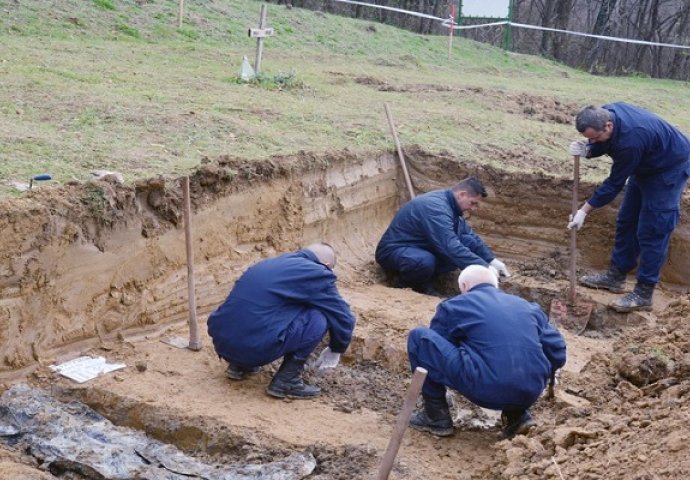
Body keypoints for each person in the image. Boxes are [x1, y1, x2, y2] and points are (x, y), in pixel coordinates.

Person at [407, 265, 566, 438]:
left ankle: (436, 416)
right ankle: (517, 416)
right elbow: (557, 351)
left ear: (465, 287)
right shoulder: (529, 307)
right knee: (511, 356)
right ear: (495, 285)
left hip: (485, 389)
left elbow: (435, 352)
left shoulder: (455, 305)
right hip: (530, 392)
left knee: (420, 338)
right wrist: (543, 376)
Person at [568, 103, 690, 312]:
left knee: (653, 230)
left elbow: (614, 184)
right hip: (644, 163)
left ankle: (644, 292)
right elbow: (606, 143)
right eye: (589, 138)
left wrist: (583, 211)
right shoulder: (606, 113)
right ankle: (616, 276)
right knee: (627, 220)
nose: (593, 140)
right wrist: (589, 149)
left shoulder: (631, 141)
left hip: (669, 167)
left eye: (594, 138)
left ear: (608, 126)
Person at [207, 242, 356, 399]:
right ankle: (287, 381)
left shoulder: (268, 263)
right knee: (319, 317)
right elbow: (343, 316)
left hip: (222, 343)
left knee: (263, 308)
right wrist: (337, 348)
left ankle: (239, 366)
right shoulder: (317, 273)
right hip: (254, 349)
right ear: (326, 265)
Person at [375, 177, 510, 296]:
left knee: (467, 241)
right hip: (395, 251)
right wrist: (484, 269)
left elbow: (470, 236)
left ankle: (428, 276)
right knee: (424, 261)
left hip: (421, 246)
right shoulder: (436, 208)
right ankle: (407, 284)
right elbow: (449, 246)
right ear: (462, 194)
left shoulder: (451, 207)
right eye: (473, 203)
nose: (473, 208)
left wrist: (491, 260)